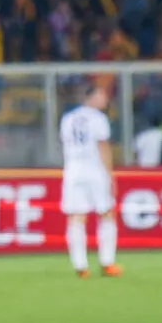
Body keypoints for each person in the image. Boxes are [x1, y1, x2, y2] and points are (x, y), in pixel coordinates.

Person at [59, 80, 122, 278]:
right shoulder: (98, 119)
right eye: (101, 95)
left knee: (76, 216)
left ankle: (80, 266)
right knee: (106, 213)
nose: (105, 99)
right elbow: (102, 146)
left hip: (73, 169)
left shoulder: (68, 119)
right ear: (91, 97)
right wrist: (110, 175)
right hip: (94, 169)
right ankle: (107, 262)